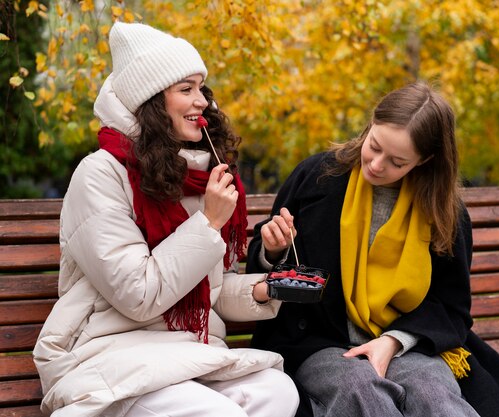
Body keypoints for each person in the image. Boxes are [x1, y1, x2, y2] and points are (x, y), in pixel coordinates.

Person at [33, 22, 299, 417]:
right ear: (152, 101)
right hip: (112, 353)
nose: (203, 103)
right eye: (185, 90)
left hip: (188, 351)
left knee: (278, 392)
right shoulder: (100, 175)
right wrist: (208, 223)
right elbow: (139, 296)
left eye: (201, 89)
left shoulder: (194, 172)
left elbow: (206, 292)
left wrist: (264, 290)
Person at [246, 82, 499, 417]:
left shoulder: (444, 213)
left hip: (405, 343)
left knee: (434, 395)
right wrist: (271, 249)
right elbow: (264, 271)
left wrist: (394, 341)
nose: (377, 165)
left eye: (397, 161)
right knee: (361, 390)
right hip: (317, 341)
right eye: (374, 146)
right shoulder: (317, 177)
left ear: (424, 160)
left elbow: (450, 306)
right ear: (370, 124)